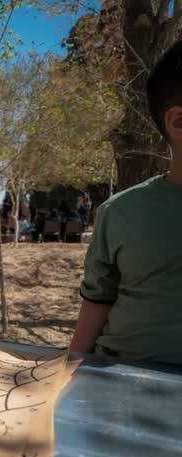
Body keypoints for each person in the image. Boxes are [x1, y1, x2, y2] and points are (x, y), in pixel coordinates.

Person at [69, 41, 182, 364]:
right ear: (177, 122)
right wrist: (66, 374)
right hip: (120, 383)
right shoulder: (119, 213)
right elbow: (97, 303)